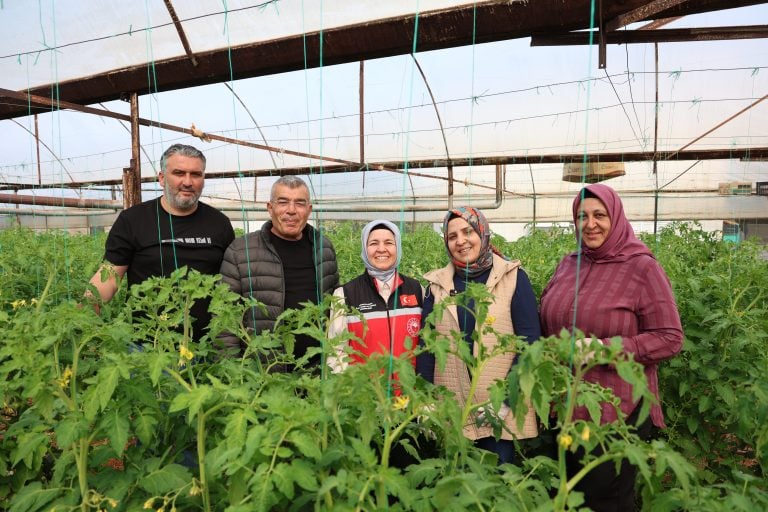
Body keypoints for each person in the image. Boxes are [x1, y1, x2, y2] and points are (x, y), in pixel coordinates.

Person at [539, 183, 683, 512]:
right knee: (571, 499)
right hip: (567, 406)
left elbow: (669, 337)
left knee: (606, 501)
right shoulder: (569, 263)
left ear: (615, 217)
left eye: (599, 215)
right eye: (582, 216)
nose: (590, 224)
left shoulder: (642, 267)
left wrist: (606, 350)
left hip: (617, 411)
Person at [416, 206, 540, 464]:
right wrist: (424, 398)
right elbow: (427, 347)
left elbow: (530, 344)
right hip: (452, 410)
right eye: (452, 236)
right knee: (456, 487)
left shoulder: (514, 278)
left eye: (468, 232)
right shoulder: (437, 286)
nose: (461, 241)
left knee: (495, 487)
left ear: (482, 233)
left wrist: (504, 401)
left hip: (498, 414)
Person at [86, 143, 235, 342]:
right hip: (147, 346)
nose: (188, 182)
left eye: (196, 174)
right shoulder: (134, 220)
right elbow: (109, 278)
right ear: (162, 178)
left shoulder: (219, 223)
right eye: (179, 173)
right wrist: (82, 321)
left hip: (206, 346)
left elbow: (231, 283)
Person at [219, 175, 339, 369]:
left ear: (309, 210)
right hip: (264, 373)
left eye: (299, 203)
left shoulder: (323, 247)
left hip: (317, 373)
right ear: (270, 208)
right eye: (283, 202)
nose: (291, 210)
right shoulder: (241, 251)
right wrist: (234, 373)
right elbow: (225, 320)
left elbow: (334, 306)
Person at [327, 220, 422, 375]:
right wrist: (357, 388)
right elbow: (336, 352)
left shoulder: (417, 290)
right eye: (373, 243)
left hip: (410, 395)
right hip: (365, 395)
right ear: (365, 248)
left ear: (398, 247)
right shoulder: (345, 294)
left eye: (389, 242)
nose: (381, 249)